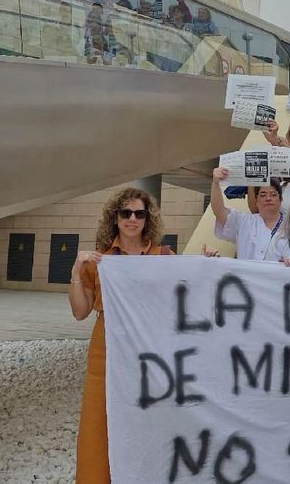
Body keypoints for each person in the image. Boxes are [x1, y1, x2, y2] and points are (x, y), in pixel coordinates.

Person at [69, 188, 175, 483]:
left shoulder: (163, 256)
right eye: (125, 213)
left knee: (148, 417)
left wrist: (208, 264)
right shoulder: (98, 260)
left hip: (149, 349)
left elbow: (185, 294)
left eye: (139, 213)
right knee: (97, 422)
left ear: (147, 218)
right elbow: (80, 312)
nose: (132, 219)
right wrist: (77, 273)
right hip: (107, 349)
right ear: (115, 218)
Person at [212, 169, 285, 260]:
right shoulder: (244, 221)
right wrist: (215, 183)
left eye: (273, 194)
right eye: (263, 195)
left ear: (281, 199)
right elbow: (219, 211)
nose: (268, 198)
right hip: (246, 274)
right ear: (256, 201)